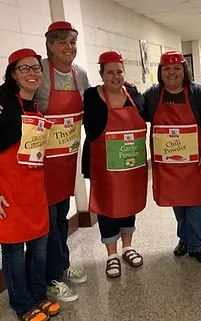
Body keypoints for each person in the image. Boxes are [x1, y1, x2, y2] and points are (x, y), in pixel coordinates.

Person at [0, 48, 61, 321]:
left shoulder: (35, 105)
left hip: (34, 188)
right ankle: (22, 305)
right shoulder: (2, 103)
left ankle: (39, 296)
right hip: (8, 190)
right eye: (24, 68)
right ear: (13, 74)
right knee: (13, 250)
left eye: (36, 68)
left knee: (39, 247)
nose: (32, 73)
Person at [143, 51, 201, 264]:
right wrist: (125, 88)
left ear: (184, 70)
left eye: (177, 68)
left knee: (195, 202)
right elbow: (136, 110)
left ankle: (196, 245)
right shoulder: (153, 94)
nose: (172, 73)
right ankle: (184, 239)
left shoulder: (198, 93)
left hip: (195, 161)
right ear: (160, 72)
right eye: (167, 68)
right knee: (177, 201)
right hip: (168, 163)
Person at [36, 21, 90, 301]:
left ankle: (62, 266)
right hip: (42, 159)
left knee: (59, 217)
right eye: (62, 42)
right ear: (50, 46)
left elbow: (90, 103)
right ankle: (50, 278)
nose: (69, 48)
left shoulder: (79, 73)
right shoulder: (39, 70)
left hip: (67, 158)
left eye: (72, 42)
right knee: (46, 221)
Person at [82, 51, 147, 278]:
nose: (115, 76)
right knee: (108, 207)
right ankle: (111, 255)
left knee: (128, 203)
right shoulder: (90, 96)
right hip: (103, 164)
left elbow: (146, 116)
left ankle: (128, 247)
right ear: (101, 74)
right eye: (109, 72)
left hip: (131, 162)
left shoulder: (133, 94)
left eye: (119, 71)